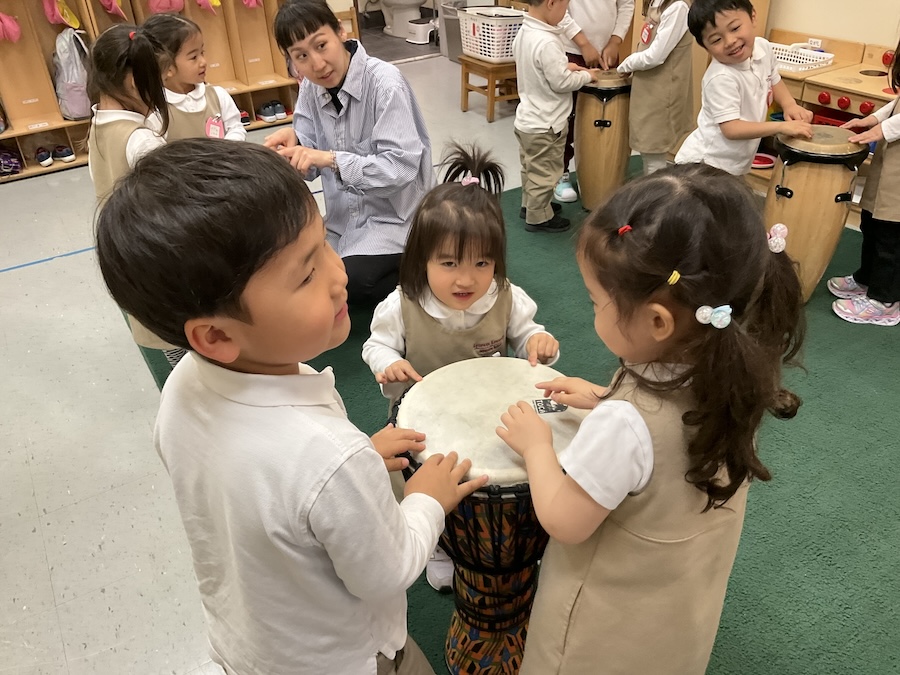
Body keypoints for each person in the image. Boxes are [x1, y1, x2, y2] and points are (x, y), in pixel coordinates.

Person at [94, 138, 488, 674]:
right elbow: (388, 569)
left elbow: (268, 492)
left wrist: (348, 475)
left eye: (325, 243)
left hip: (250, 646)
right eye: (305, 275)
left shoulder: (183, 386)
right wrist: (424, 500)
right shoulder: (328, 457)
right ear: (216, 335)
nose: (338, 274)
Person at [495, 163, 806, 674]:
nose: (593, 311)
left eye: (596, 302)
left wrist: (537, 448)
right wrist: (604, 396)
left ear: (658, 321)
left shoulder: (623, 425)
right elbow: (669, 431)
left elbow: (565, 520)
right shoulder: (733, 375)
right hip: (675, 617)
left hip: (601, 635)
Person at [362, 143, 560, 591]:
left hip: (489, 416)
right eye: (449, 263)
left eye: (482, 263)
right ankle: (436, 541)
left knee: (522, 462)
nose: (466, 279)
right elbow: (376, 345)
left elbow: (528, 334)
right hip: (424, 423)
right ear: (422, 261)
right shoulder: (402, 305)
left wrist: (538, 342)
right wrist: (389, 362)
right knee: (404, 473)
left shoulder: (505, 296)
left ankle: (517, 530)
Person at [264, 0, 434, 308]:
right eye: (301, 56)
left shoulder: (385, 83)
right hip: (343, 222)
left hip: (396, 219)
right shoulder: (310, 88)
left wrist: (330, 159)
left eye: (321, 45)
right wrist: (293, 145)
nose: (317, 64)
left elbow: (400, 169)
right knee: (292, 267)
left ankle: (428, 261)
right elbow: (309, 156)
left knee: (351, 282)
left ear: (341, 31)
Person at [86, 23, 184, 379]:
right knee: (185, 349)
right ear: (132, 82)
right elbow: (175, 208)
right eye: (155, 81)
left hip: (128, 257)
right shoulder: (141, 141)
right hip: (159, 257)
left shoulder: (98, 126)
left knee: (171, 345)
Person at [674, 0, 813, 176]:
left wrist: (789, 104)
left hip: (733, 163)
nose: (730, 41)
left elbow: (774, 79)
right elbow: (732, 129)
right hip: (704, 165)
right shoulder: (721, 77)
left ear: (752, 17)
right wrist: (780, 127)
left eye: (735, 28)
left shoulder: (763, 47)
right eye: (716, 40)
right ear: (705, 47)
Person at [828, 33, 900, 327]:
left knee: (891, 236)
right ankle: (867, 278)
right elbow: (897, 103)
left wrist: (883, 129)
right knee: (871, 221)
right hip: (888, 164)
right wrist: (873, 119)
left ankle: (885, 300)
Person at [514, 0, 603, 233]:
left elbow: (539, 67)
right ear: (551, 3)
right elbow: (561, 83)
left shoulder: (525, 32)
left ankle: (530, 205)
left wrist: (568, 67)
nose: (566, 14)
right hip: (547, 124)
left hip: (527, 120)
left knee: (531, 169)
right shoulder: (547, 41)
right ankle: (538, 217)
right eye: (565, 7)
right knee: (545, 173)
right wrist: (587, 76)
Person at [557, 0, 635, 200]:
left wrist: (615, 40)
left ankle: (602, 173)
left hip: (607, 54)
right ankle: (560, 173)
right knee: (567, 117)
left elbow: (626, 4)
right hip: (571, 50)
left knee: (606, 120)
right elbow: (557, 8)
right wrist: (583, 43)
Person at [141, 13, 246, 142]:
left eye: (202, 52)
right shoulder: (157, 112)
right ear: (168, 68)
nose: (203, 62)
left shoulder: (217, 96)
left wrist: (228, 147)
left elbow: (236, 128)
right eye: (194, 57)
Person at [617, 0, 694, 175]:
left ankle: (657, 190)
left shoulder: (678, 7)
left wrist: (627, 64)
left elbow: (655, 56)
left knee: (654, 151)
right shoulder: (656, 2)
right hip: (648, 87)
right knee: (648, 150)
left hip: (662, 91)